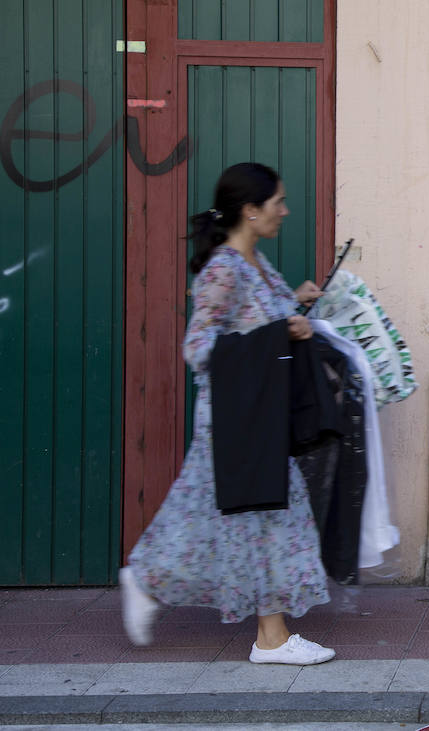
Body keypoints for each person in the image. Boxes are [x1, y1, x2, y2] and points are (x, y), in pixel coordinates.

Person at [119, 162, 335, 666]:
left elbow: (260, 320)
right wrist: (280, 331)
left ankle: (265, 634)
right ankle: (262, 633)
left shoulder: (257, 263)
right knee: (262, 517)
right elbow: (198, 347)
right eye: (277, 202)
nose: (285, 210)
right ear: (250, 210)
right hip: (235, 422)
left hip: (258, 416)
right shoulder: (224, 269)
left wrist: (295, 303)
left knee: (245, 518)